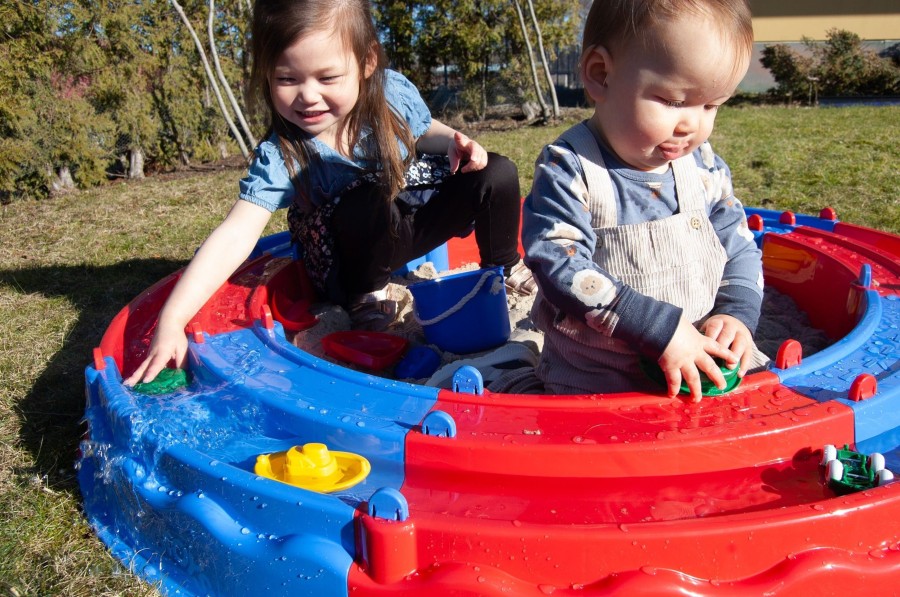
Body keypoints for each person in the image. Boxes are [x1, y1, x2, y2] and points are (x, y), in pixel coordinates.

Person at [126, 0, 532, 386]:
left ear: (367, 62)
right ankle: (366, 299)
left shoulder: (389, 93)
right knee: (367, 195)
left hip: (403, 222)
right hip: (345, 260)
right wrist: (172, 321)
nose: (307, 95)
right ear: (267, 74)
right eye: (287, 79)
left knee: (496, 170)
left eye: (327, 77)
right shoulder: (283, 152)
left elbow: (422, 130)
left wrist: (451, 142)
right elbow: (235, 234)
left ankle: (504, 268)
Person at [521, 0, 767, 401]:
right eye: (673, 101)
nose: (692, 124)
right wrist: (659, 329)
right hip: (597, 373)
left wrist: (735, 312)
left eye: (711, 105)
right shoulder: (570, 168)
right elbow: (559, 264)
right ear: (601, 75)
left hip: (700, 363)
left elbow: (737, 243)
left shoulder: (702, 166)